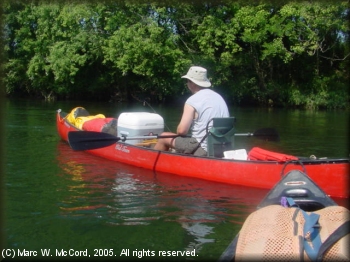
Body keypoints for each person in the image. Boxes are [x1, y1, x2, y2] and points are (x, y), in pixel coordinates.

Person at [153, 66, 229, 156]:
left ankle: (150, 162)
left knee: (163, 137)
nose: (187, 84)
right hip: (223, 147)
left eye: (187, 81)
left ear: (192, 83)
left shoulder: (192, 100)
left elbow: (182, 131)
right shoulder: (219, 97)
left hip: (202, 148)